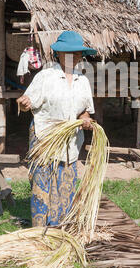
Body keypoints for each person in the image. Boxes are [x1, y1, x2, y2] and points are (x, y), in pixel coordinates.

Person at [16, 31, 97, 227]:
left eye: (77, 53)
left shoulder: (83, 81)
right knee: (42, 181)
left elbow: (84, 111)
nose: (74, 56)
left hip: (70, 140)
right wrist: (24, 103)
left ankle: (59, 227)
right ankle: (39, 229)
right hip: (45, 137)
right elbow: (28, 103)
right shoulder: (46, 76)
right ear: (58, 53)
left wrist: (86, 120)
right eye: (68, 52)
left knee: (66, 183)